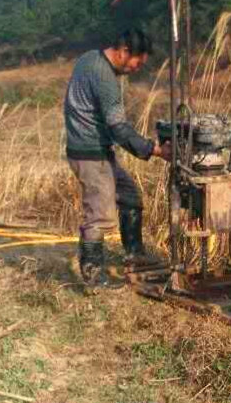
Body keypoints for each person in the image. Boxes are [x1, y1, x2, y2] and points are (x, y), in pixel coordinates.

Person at [64, 28, 171, 288]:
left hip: (92, 148)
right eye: (137, 62)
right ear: (124, 52)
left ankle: (134, 255)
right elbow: (119, 129)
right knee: (99, 215)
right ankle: (93, 275)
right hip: (90, 154)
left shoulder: (89, 58)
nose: (136, 68)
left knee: (130, 196)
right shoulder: (106, 79)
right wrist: (155, 150)